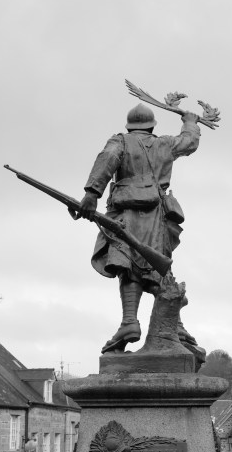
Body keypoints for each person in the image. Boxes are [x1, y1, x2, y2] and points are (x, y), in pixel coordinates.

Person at [77, 103, 201, 353]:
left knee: (129, 266)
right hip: (157, 215)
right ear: (153, 125)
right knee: (155, 269)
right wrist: (190, 121)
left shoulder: (120, 141)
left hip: (125, 214)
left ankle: (131, 322)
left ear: (129, 126)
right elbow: (189, 142)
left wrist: (92, 193)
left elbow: (108, 158)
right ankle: (173, 325)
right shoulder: (165, 144)